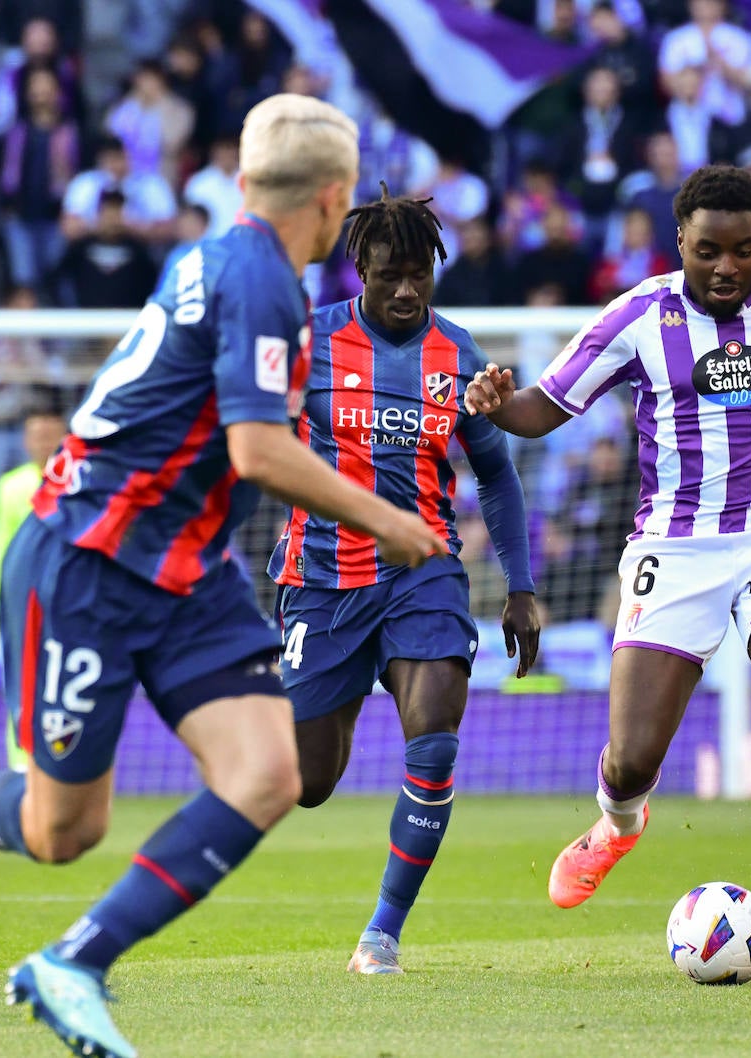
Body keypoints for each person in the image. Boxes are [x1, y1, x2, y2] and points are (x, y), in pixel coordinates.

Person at [0, 94, 447, 1058]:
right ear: (332, 204)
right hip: (87, 560)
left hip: (183, 570)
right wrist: (386, 519)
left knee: (270, 772)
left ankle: (73, 962)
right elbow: (255, 451)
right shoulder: (261, 282)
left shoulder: (216, 256)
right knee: (62, 828)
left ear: (245, 182)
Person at [464, 165, 751, 988]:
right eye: (708, 252)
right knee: (629, 759)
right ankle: (615, 827)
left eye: (743, 249)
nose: (728, 267)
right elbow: (545, 410)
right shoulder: (637, 318)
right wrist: (495, 402)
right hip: (676, 548)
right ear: (680, 247)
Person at [269, 185, 539, 974]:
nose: (407, 289)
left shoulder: (456, 355)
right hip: (321, 580)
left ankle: (381, 935)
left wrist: (519, 587)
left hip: (423, 573)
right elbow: (251, 443)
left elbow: (496, 475)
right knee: (311, 781)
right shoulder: (309, 344)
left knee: (434, 730)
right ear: (359, 268)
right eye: (391, 273)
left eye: (420, 273)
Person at [0, 406, 68, 771]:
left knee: (62, 685)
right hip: (18, 602)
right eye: (36, 436)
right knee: (21, 684)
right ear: (25, 440)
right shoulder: (11, 487)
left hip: (65, 601)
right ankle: (22, 765)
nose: (43, 444)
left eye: (50, 436)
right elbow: (0, 547)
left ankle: (61, 762)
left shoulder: (77, 483)